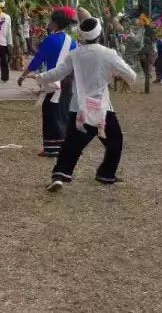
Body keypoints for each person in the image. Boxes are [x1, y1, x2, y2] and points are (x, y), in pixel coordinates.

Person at [34, 16, 135, 191]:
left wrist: (40, 78)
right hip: (102, 108)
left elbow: (58, 73)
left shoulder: (75, 54)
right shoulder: (108, 54)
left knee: (71, 145)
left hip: (79, 107)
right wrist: (116, 74)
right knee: (115, 141)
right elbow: (131, 76)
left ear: (83, 35)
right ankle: (106, 174)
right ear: (100, 33)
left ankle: (60, 175)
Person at [19, 6, 78, 158]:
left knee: (50, 113)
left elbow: (37, 60)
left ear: (56, 23)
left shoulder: (50, 39)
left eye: (51, 20)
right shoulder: (72, 41)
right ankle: (65, 145)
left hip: (52, 82)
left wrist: (23, 75)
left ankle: (51, 148)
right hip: (67, 81)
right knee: (64, 112)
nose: (49, 23)